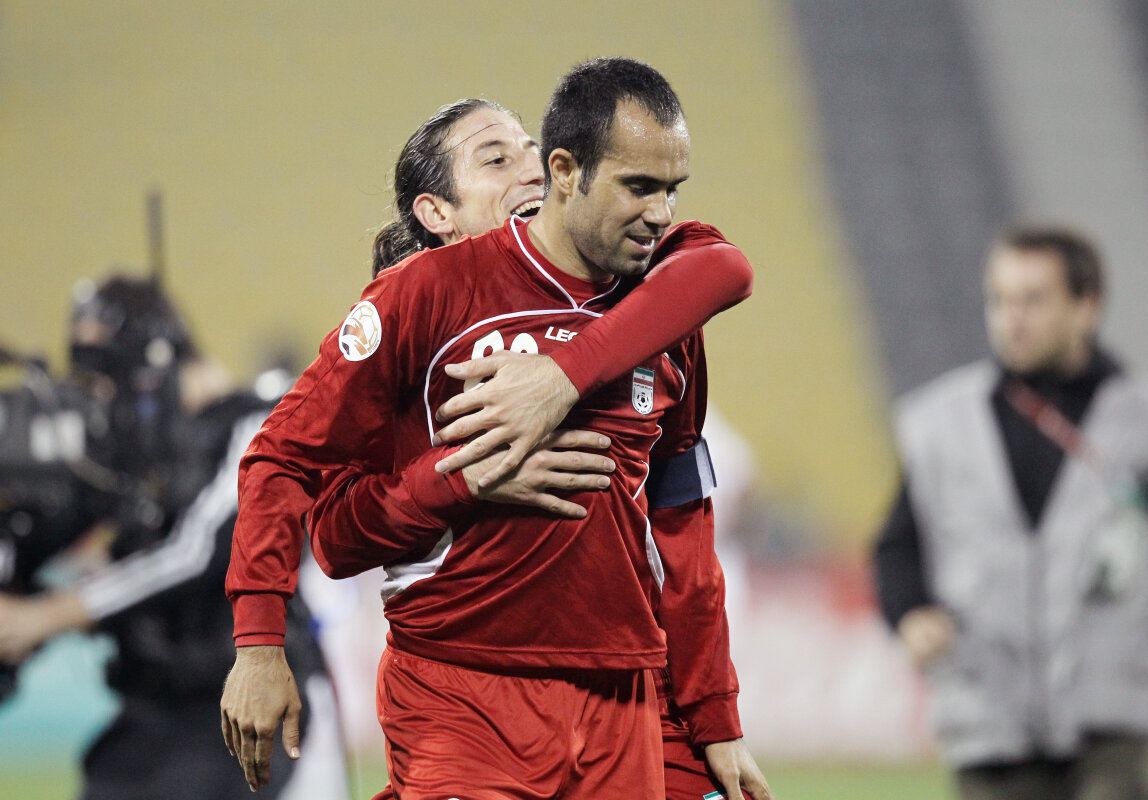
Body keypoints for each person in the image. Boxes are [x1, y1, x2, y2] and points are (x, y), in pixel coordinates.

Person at [226, 58, 771, 799]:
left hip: (621, 693)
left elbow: (683, 518)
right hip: (462, 685)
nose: (660, 211)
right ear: (570, 172)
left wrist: (714, 712)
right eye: (496, 157)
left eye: (670, 189)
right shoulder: (422, 297)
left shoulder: (664, 301)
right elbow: (305, 493)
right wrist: (260, 643)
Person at [873, 225, 1148, 800]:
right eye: (999, 300)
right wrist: (910, 611)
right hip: (993, 724)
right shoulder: (943, 423)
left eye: (1033, 300)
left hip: (1119, 727)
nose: (1012, 318)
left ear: (1087, 305)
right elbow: (898, 545)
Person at [0, 276, 347, 799]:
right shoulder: (127, 456)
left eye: (108, 374)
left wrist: (46, 616)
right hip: (155, 721)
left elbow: (199, 551)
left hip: (256, 704)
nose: (101, 396)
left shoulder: (259, 420)